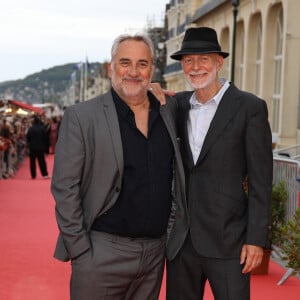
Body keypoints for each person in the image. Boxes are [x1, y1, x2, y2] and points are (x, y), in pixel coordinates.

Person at [51, 33, 186, 300]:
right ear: (111, 67)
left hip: (154, 255)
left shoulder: (169, 111)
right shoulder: (81, 117)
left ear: (152, 69)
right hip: (100, 252)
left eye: (142, 64)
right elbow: (64, 187)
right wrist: (80, 251)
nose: (133, 72)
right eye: (125, 63)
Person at [151, 27, 273, 300]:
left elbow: (261, 181)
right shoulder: (177, 105)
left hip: (230, 243)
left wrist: (256, 240)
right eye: (188, 61)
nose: (195, 67)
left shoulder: (249, 107)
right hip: (182, 244)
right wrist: (149, 91)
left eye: (203, 59)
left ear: (219, 62)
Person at [26, 115, 49, 179]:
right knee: (42, 161)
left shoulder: (30, 129)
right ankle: (45, 174)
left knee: (32, 162)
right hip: (41, 147)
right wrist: (46, 149)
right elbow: (46, 139)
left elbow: (28, 138)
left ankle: (33, 175)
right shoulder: (42, 128)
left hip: (32, 147)